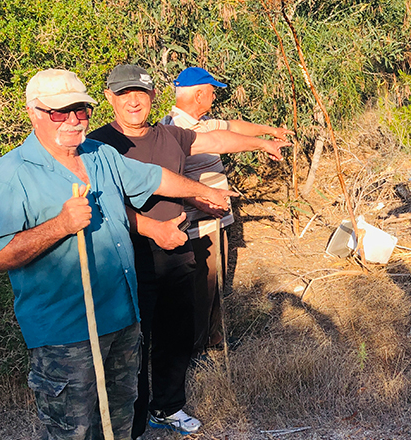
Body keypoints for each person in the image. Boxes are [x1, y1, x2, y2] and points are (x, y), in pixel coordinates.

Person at [0, 69, 235, 439]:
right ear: (34, 112)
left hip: (122, 320)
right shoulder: (12, 172)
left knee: (121, 425)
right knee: (75, 432)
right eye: (59, 113)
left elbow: (154, 178)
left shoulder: (100, 154)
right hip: (66, 334)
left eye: (80, 111)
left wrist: (202, 191)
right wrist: (60, 225)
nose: (72, 121)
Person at [87, 64, 291, 438]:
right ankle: (129, 425)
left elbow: (216, 140)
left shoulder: (172, 135)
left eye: (140, 93)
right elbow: (99, 206)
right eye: (123, 94)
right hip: (126, 259)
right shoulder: (97, 145)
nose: (133, 101)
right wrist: (151, 229)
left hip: (177, 250)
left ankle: (167, 407)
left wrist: (261, 142)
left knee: (176, 334)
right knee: (131, 346)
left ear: (152, 97)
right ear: (109, 99)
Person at [160, 67, 293, 355]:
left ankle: (215, 340)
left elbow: (232, 127)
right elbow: (170, 178)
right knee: (201, 288)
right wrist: (199, 201)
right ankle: (195, 351)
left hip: (215, 219)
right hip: (196, 225)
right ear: (198, 94)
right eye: (211, 91)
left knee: (215, 282)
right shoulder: (172, 129)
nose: (213, 97)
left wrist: (270, 132)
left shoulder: (204, 121)